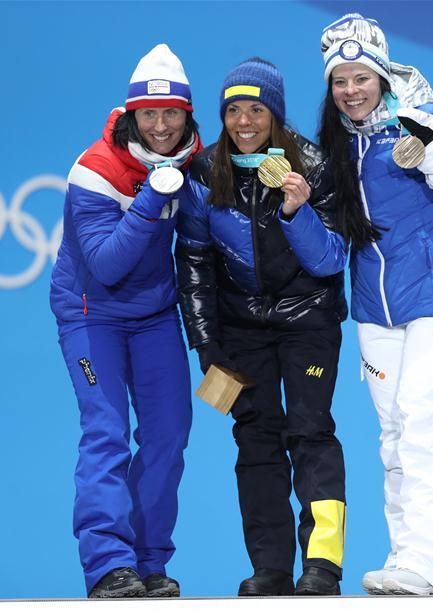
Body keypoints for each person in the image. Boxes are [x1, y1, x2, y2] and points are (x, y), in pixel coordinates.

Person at [318, 14, 433, 596]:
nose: (351, 90)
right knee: (392, 433)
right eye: (339, 80)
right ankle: (404, 558)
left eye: (360, 76)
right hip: (375, 309)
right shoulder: (337, 141)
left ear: (383, 74)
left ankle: (427, 563)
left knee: (422, 424)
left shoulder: (429, 120)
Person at [175, 58, 349, 596]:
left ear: (275, 112)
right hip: (241, 328)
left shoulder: (315, 167)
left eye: (256, 109)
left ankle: (321, 563)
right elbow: (195, 260)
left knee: (310, 432)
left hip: (308, 321)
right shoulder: (204, 173)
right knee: (255, 441)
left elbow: (330, 261)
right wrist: (206, 343)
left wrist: (298, 211)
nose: (244, 122)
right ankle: (270, 568)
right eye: (233, 110)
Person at [50, 44, 200, 599]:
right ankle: (109, 565)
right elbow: (108, 266)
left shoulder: (196, 158)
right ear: (131, 114)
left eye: (172, 114)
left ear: (187, 115)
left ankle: (148, 560)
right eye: (149, 114)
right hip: (93, 316)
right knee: (106, 434)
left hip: (156, 315)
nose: (161, 126)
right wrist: (150, 198)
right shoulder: (95, 170)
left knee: (168, 436)